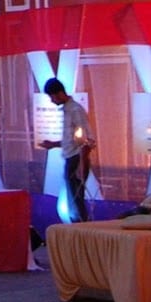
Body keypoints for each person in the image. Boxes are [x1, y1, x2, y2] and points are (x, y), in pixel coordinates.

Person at [40, 77, 95, 222]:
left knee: (76, 199)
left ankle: (82, 230)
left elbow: (87, 140)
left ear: (58, 94)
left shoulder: (75, 110)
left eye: (51, 97)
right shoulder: (68, 110)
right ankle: (79, 228)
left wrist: (80, 165)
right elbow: (73, 140)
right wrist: (53, 144)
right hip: (72, 158)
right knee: (73, 199)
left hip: (76, 159)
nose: (52, 101)